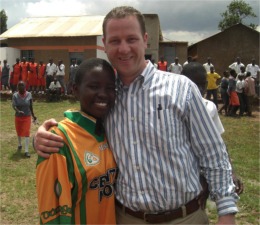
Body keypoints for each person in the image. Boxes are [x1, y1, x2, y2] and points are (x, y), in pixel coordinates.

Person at [34, 6, 238, 224]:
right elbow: (80, 130)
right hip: (126, 218)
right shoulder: (106, 97)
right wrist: (44, 136)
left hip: (185, 217)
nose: (124, 49)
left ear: (145, 40)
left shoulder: (182, 89)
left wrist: (226, 211)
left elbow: (213, 154)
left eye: (131, 39)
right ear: (105, 44)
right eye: (115, 41)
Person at [36, 58, 118, 224]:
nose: (103, 93)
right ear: (75, 90)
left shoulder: (112, 130)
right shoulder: (58, 140)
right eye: (94, 87)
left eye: (110, 88)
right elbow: (53, 215)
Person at [182, 62, 243, 197]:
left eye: (203, 84)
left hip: (202, 173)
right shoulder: (171, 107)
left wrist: (231, 171)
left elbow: (218, 143)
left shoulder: (210, 107)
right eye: (195, 84)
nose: (200, 89)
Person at [12, 81, 36, 158]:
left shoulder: (29, 94)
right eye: (19, 86)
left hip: (27, 116)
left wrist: (33, 115)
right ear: (17, 87)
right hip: (18, 116)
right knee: (19, 131)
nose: (21, 87)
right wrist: (18, 111)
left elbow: (31, 106)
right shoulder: (15, 95)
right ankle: (19, 144)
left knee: (26, 132)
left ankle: (26, 151)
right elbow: (14, 106)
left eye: (22, 85)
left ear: (25, 86)